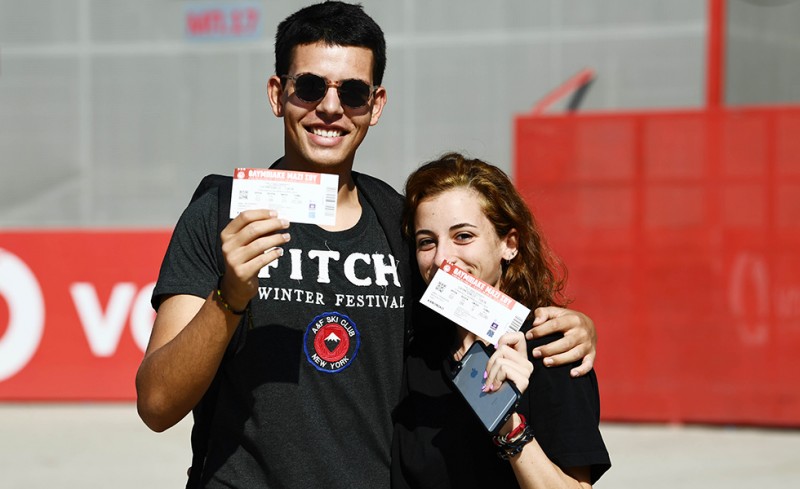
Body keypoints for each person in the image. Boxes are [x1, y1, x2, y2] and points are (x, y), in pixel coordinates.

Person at [135, 2, 598, 488]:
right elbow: (157, 405)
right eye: (310, 86)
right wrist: (229, 297)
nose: (330, 108)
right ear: (277, 93)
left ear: (375, 105)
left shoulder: (403, 227)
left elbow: (487, 317)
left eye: (353, 92)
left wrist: (571, 330)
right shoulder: (222, 213)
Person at [392, 152, 611, 488]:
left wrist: (509, 425)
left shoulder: (551, 350)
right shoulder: (413, 348)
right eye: (426, 242)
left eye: (463, 236)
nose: (442, 259)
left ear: (509, 244)